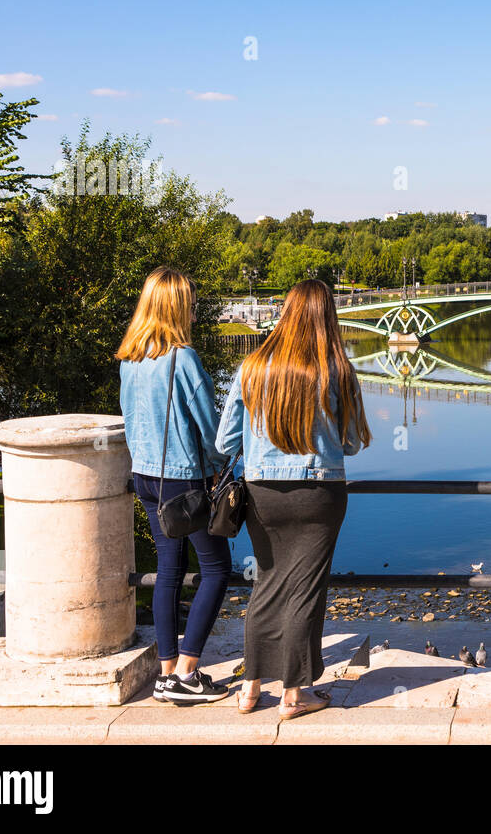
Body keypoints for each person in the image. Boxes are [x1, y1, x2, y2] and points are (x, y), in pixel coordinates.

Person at [217, 280, 372, 720]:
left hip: (261, 493)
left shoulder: (252, 367)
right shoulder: (337, 369)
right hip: (319, 494)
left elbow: (224, 441)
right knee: (305, 591)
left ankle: (249, 689)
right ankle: (294, 695)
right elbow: (352, 443)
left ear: (285, 313)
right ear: (328, 317)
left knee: (266, 583)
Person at [117, 267, 231, 704]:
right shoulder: (183, 359)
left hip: (146, 477)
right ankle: (187, 673)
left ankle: (166, 675)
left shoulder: (131, 359)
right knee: (216, 570)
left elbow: (130, 420)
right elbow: (209, 426)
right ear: (177, 308)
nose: (196, 313)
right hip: (184, 480)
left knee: (168, 571)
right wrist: (220, 465)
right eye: (192, 305)